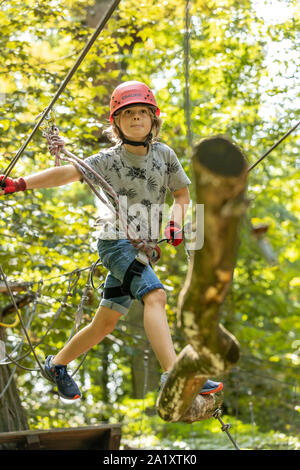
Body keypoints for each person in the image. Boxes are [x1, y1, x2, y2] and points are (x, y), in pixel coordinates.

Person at [0, 81, 223, 401]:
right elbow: (67, 174)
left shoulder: (164, 155)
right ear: (116, 123)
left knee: (104, 323)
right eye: (128, 113)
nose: (136, 119)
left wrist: (175, 223)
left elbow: (182, 194)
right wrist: (20, 184)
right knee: (155, 296)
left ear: (153, 120)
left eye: (142, 113)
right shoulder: (108, 160)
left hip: (140, 248)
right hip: (116, 242)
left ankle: (58, 365)